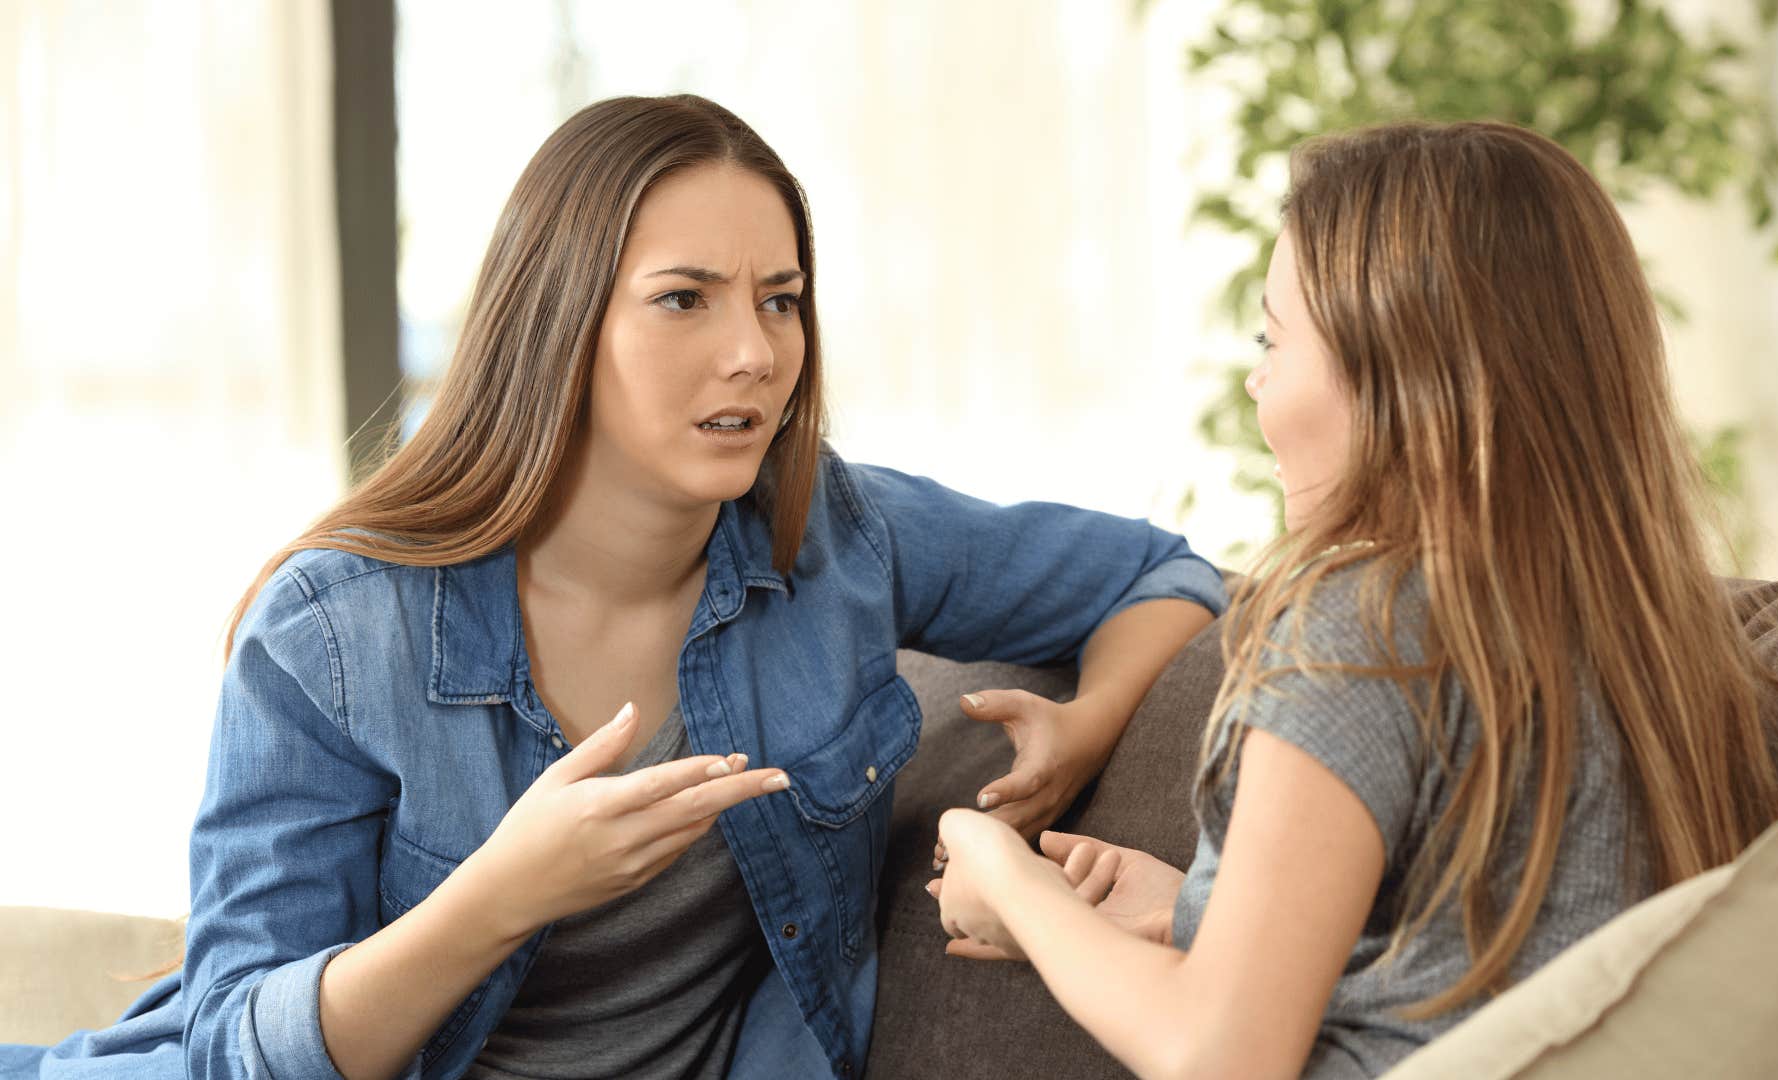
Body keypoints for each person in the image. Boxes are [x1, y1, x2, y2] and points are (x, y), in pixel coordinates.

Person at [0, 95, 1223, 1080]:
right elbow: (235, 1052)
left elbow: (1160, 577)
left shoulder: (831, 537)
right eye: (684, 299)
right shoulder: (334, 633)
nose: (755, 350)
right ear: (560, 323)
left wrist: (1080, 727)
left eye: (780, 300)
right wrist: (502, 895)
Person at [928, 120, 1778, 1079]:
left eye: (1274, 338)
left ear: (1402, 374)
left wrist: (1015, 885)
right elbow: (1483, 972)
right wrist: (1202, 909)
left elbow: (1216, 1056)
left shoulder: (1362, 626)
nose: (1255, 378)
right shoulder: (1642, 631)